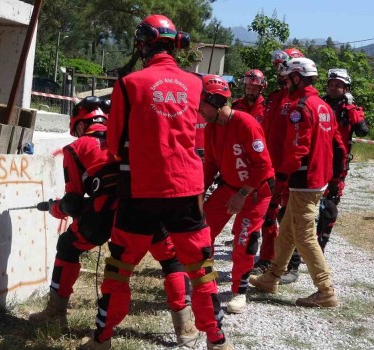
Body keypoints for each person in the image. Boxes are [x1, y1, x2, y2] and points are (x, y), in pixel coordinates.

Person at [80, 14, 232, 350]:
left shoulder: (129, 84)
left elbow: (116, 141)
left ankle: (102, 340)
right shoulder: (197, 83)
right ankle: (217, 341)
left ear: (145, 43)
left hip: (140, 188)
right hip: (187, 190)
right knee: (201, 270)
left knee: (119, 269)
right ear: (176, 44)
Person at [30, 97, 197, 345]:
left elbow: (73, 202)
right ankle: (185, 328)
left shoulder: (75, 149)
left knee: (68, 246)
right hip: (147, 208)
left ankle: (56, 313)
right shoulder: (129, 137)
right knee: (171, 261)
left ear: (78, 123)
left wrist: (57, 208)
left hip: (104, 214)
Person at [249, 57, 347, 308]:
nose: (284, 82)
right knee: (288, 232)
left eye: (287, 78)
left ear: (296, 78)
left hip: (303, 178)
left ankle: (325, 289)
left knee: (304, 236)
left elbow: (297, 148)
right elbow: (337, 145)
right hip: (318, 178)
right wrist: (335, 178)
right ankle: (272, 277)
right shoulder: (323, 105)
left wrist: (280, 176)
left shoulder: (299, 107)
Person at [201, 75, 274, 314]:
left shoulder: (245, 123)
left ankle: (239, 292)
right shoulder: (211, 128)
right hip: (229, 188)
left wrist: (242, 194)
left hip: (255, 192)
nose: (198, 110)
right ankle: (205, 282)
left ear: (214, 101)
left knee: (244, 241)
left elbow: (263, 166)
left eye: (202, 104)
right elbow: (211, 164)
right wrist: (198, 192)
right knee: (202, 231)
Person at [252, 48, 305, 279]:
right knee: (268, 214)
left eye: (282, 67)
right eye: (277, 68)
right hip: (270, 166)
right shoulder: (276, 97)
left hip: (290, 170)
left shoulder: (301, 100)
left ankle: (292, 264)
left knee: (290, 217)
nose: (279, 72)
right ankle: (266, 258)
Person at [319, 68, 369, 250]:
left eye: (338, 85)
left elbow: (363, 130)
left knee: (330, 205)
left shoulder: (349, 109)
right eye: (331, 85)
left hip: (336, 164)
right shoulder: (318, 103)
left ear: (346, 88)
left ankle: (321, 243)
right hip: (315, 161)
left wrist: (352, 109)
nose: (333, 88)